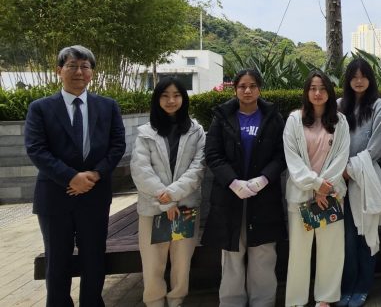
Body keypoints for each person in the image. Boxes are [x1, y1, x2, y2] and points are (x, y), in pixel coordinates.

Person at [24, 45, 126, 307]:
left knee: (94, 259)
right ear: (59, 71)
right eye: (72, 66)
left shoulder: (108, 106)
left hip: (94, 195)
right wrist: (71, 177)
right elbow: (36, 149)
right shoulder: (41, 108)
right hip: (55, 198)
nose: (79, 71)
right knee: (57, 261)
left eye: (85, 66)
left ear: (92, 73)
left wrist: (94, 174)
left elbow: (117, 146)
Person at [202, 69, 286, 307]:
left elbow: (281, 155)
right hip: (230, 197)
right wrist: (233, 182)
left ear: (260, 88)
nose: (247, 91)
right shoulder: (222, 116)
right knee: (232, 254)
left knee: (263, 254)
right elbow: (213, 154)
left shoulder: (272, 116)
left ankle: (263, 302)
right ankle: (231, 302)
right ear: (235, 89)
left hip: (264, 196)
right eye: (242, 86)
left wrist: (264, 179)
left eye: (252, 86)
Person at [131, 77, 206, 307]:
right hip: (153, 208)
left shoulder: (196, 131)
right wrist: (165, 201)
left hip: (185, 208)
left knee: (182, 262)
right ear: (157, 99)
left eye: (176, 95)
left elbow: (198, 167)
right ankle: (154, 302)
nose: (171, 100)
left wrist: (172, 195)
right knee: (153, 263)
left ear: (184, 99)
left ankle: (176, 301)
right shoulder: (145, 132)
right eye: (165, 96)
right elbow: (140, 169)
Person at [283, 71, 350, 307]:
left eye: (322, 88)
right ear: (306, 92)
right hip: (302, 197)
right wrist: (315, 185)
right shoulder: (294, 120)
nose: (318, 93)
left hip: (330, 197)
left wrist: (324, 187)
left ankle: (326, 298)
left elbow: (341, 157)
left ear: (330, 92)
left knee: (331, 251)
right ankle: (296, 301)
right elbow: (292, 160)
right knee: (299, 252)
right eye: (312, 88)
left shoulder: (340, 122)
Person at [337, 59, 381, 307]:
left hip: (366, 179)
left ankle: (363, 287)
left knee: (367, 235)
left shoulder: (378, 104)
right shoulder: (339, 105)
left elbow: (377, 145)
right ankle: (347, 286)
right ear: (348, 80)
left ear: (370, 78)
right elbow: (334, 141)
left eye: (363, 76)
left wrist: (351, 170)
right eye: (354, 76)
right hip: (341, 182)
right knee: (348, 238)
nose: (359, 80)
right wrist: (340, 173)